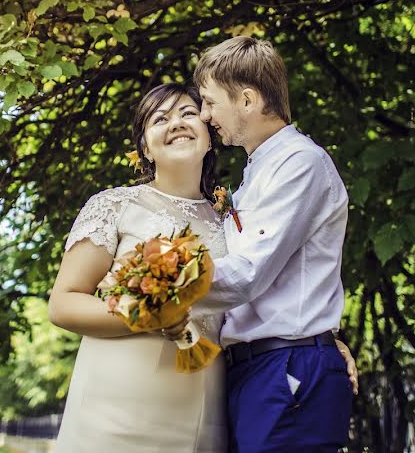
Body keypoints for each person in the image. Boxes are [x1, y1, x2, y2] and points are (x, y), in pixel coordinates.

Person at [189, 36, 356, 452]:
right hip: (260, 368)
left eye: (210, 102)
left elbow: (248, 274)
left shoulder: (300, 162)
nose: (205, 115)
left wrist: (154, 286)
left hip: (287, 368)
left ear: (247, 100)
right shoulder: (259, 168)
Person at [48, 83, 228, 452]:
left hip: (206, 406)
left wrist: (328, 340)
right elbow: (63, 303)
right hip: (117, 407)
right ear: (145, 148)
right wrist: (151, 314)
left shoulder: (232, 218)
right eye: (160, 119)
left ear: (209, 136)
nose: (176, 123)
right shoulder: (115, 205)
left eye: (188, 113)